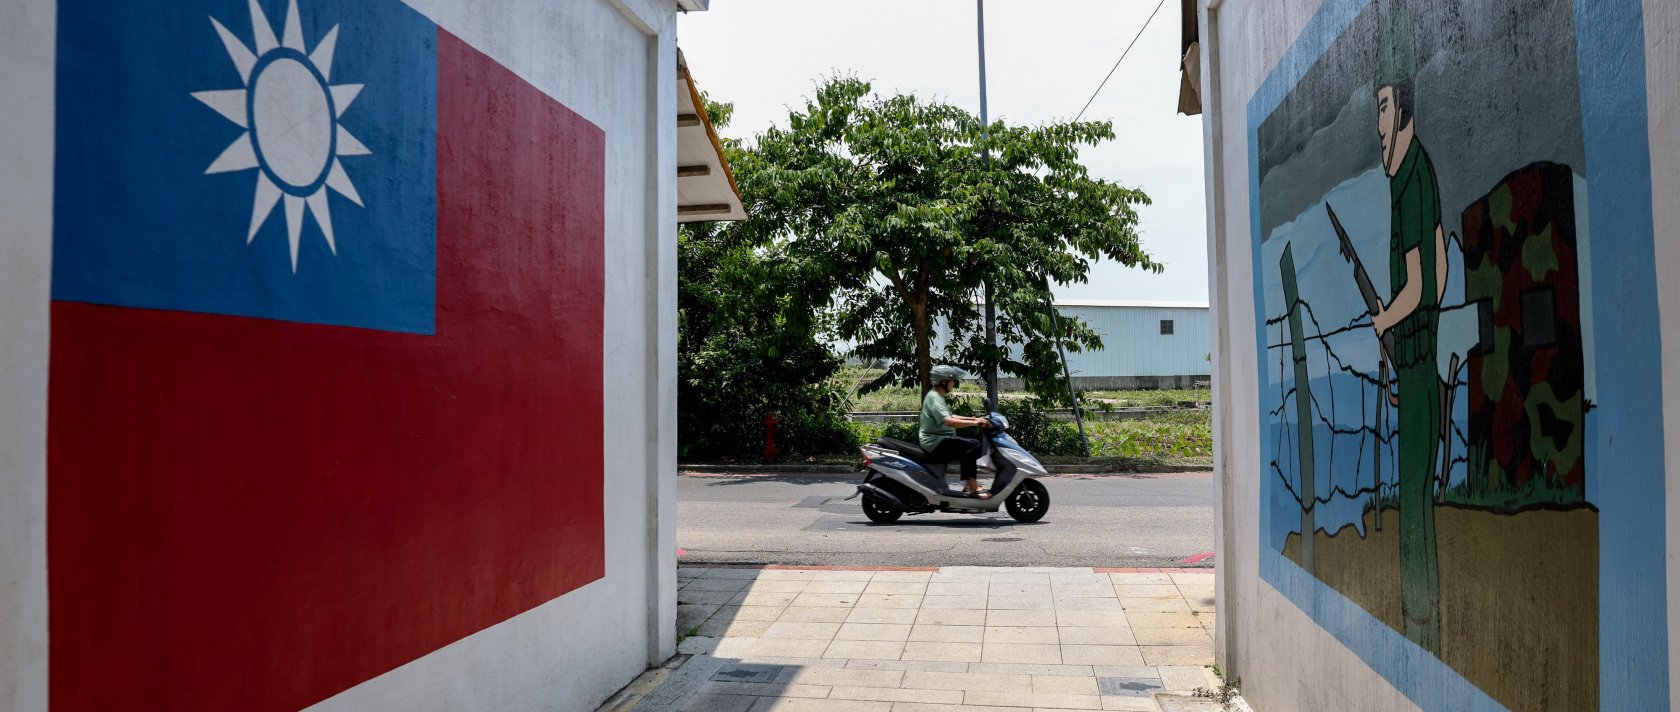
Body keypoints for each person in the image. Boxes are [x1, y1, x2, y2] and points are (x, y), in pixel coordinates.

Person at [1368, 4, 1444, 656]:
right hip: (1420, 365)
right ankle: (1422, 618)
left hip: (1419, 363)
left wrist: (1385, 320)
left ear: (1405, 108)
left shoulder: (1411, 177)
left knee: (1416, 503)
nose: (1378, 123)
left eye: (1383, 108)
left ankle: (1420, 620)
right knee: (1415, 491)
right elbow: (1442, 267)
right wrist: (1411, 349)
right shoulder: (1415, 178)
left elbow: (1420, 286)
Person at [919, 365, 991, 499]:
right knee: (972, 445)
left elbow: (952, 416)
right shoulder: (934, 397)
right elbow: (949, 421)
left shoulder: (937, 396)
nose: (953, 383)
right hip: (934, 443)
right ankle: (972, 487)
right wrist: (975, 422)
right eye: (951, 381)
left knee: (970, 445)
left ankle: (969, 484)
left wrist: (975, 418)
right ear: (943, 382)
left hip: (938, 440)